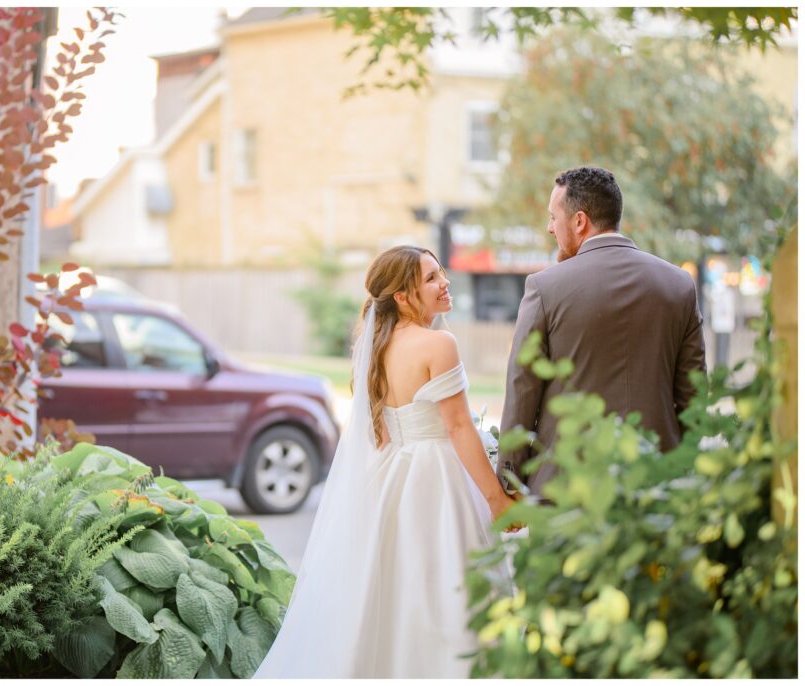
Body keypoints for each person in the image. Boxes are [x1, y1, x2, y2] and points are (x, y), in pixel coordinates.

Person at [254, 246, 516, 679]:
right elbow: (458, 428)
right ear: (402, 295)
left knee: (388, 594)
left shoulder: (376, 346)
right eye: (430, 279)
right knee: (446, 592)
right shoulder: (438, 344)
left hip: (390, 479)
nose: (444, 283)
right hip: (436, 480)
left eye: (441, 273)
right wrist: (496, 498)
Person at [497, 167, 707, 497]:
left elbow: (522, 389)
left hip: (567, 486)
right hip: (656, 482)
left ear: (579, 221)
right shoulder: (679, 285)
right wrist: (682, 469)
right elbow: (694, 396)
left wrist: (508, 480)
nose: (550, 228)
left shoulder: (545, 287)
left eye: (554, 217)